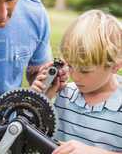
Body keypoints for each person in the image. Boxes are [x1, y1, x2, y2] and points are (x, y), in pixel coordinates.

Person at [34, 10, 122, 154]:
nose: (75, 76)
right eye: (70, 65)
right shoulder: (65, 95)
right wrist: (42, 98)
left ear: (116, 65)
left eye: (85, 70)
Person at [0, 0, 67, 112]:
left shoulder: (35, 13)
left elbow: (34, 72)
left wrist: (46, 78)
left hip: (10, 120)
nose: (2, 15)